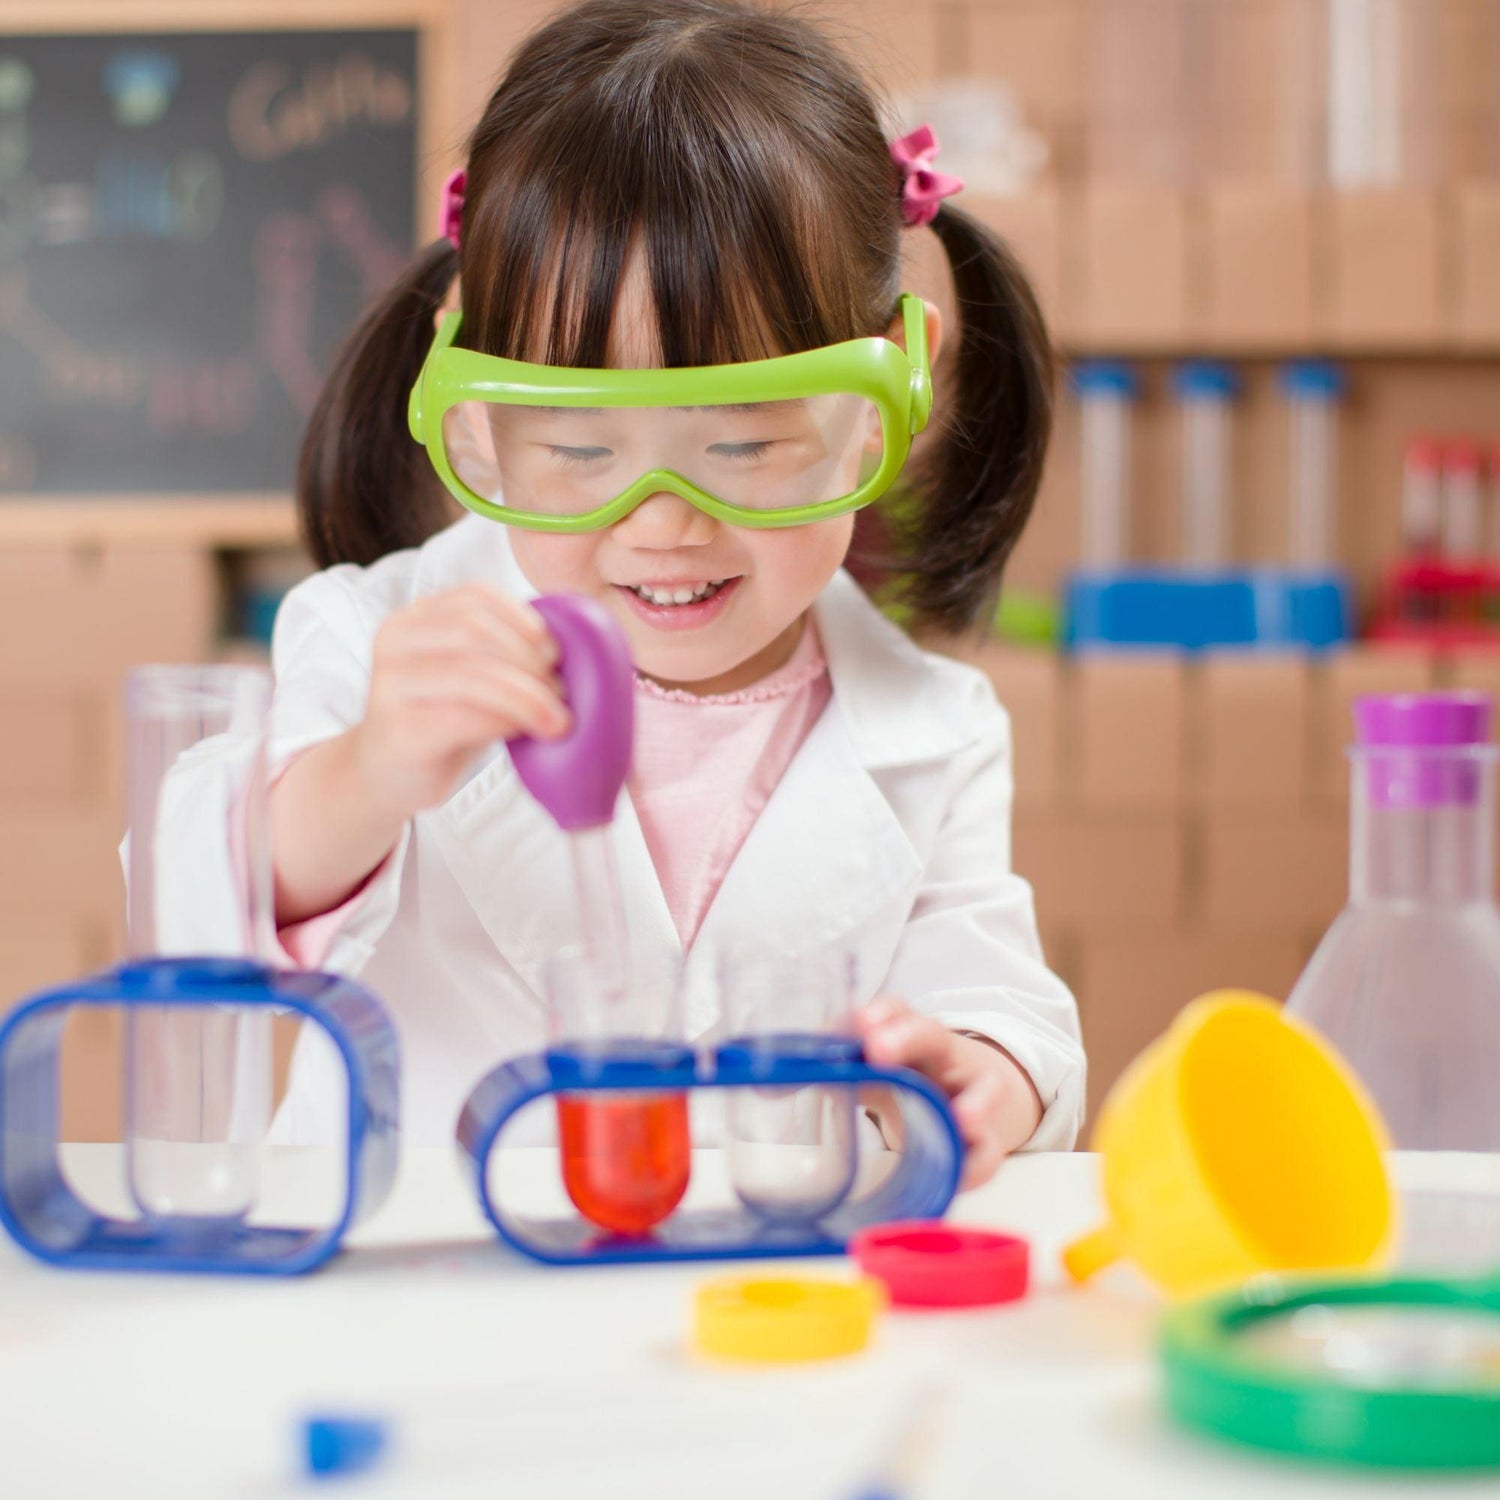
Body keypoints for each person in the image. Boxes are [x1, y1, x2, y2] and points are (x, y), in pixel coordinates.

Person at [236, 0, 1082, 1177]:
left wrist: (983, 1073)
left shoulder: (935, 729)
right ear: (476, 409)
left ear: (896, 384)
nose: (666, 522)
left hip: (747, 1306)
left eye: (744, 445)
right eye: (582, 450)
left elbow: (994, 992)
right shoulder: (370, 642)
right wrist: (365, 776)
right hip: (419, 1298)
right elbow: (209, 901)